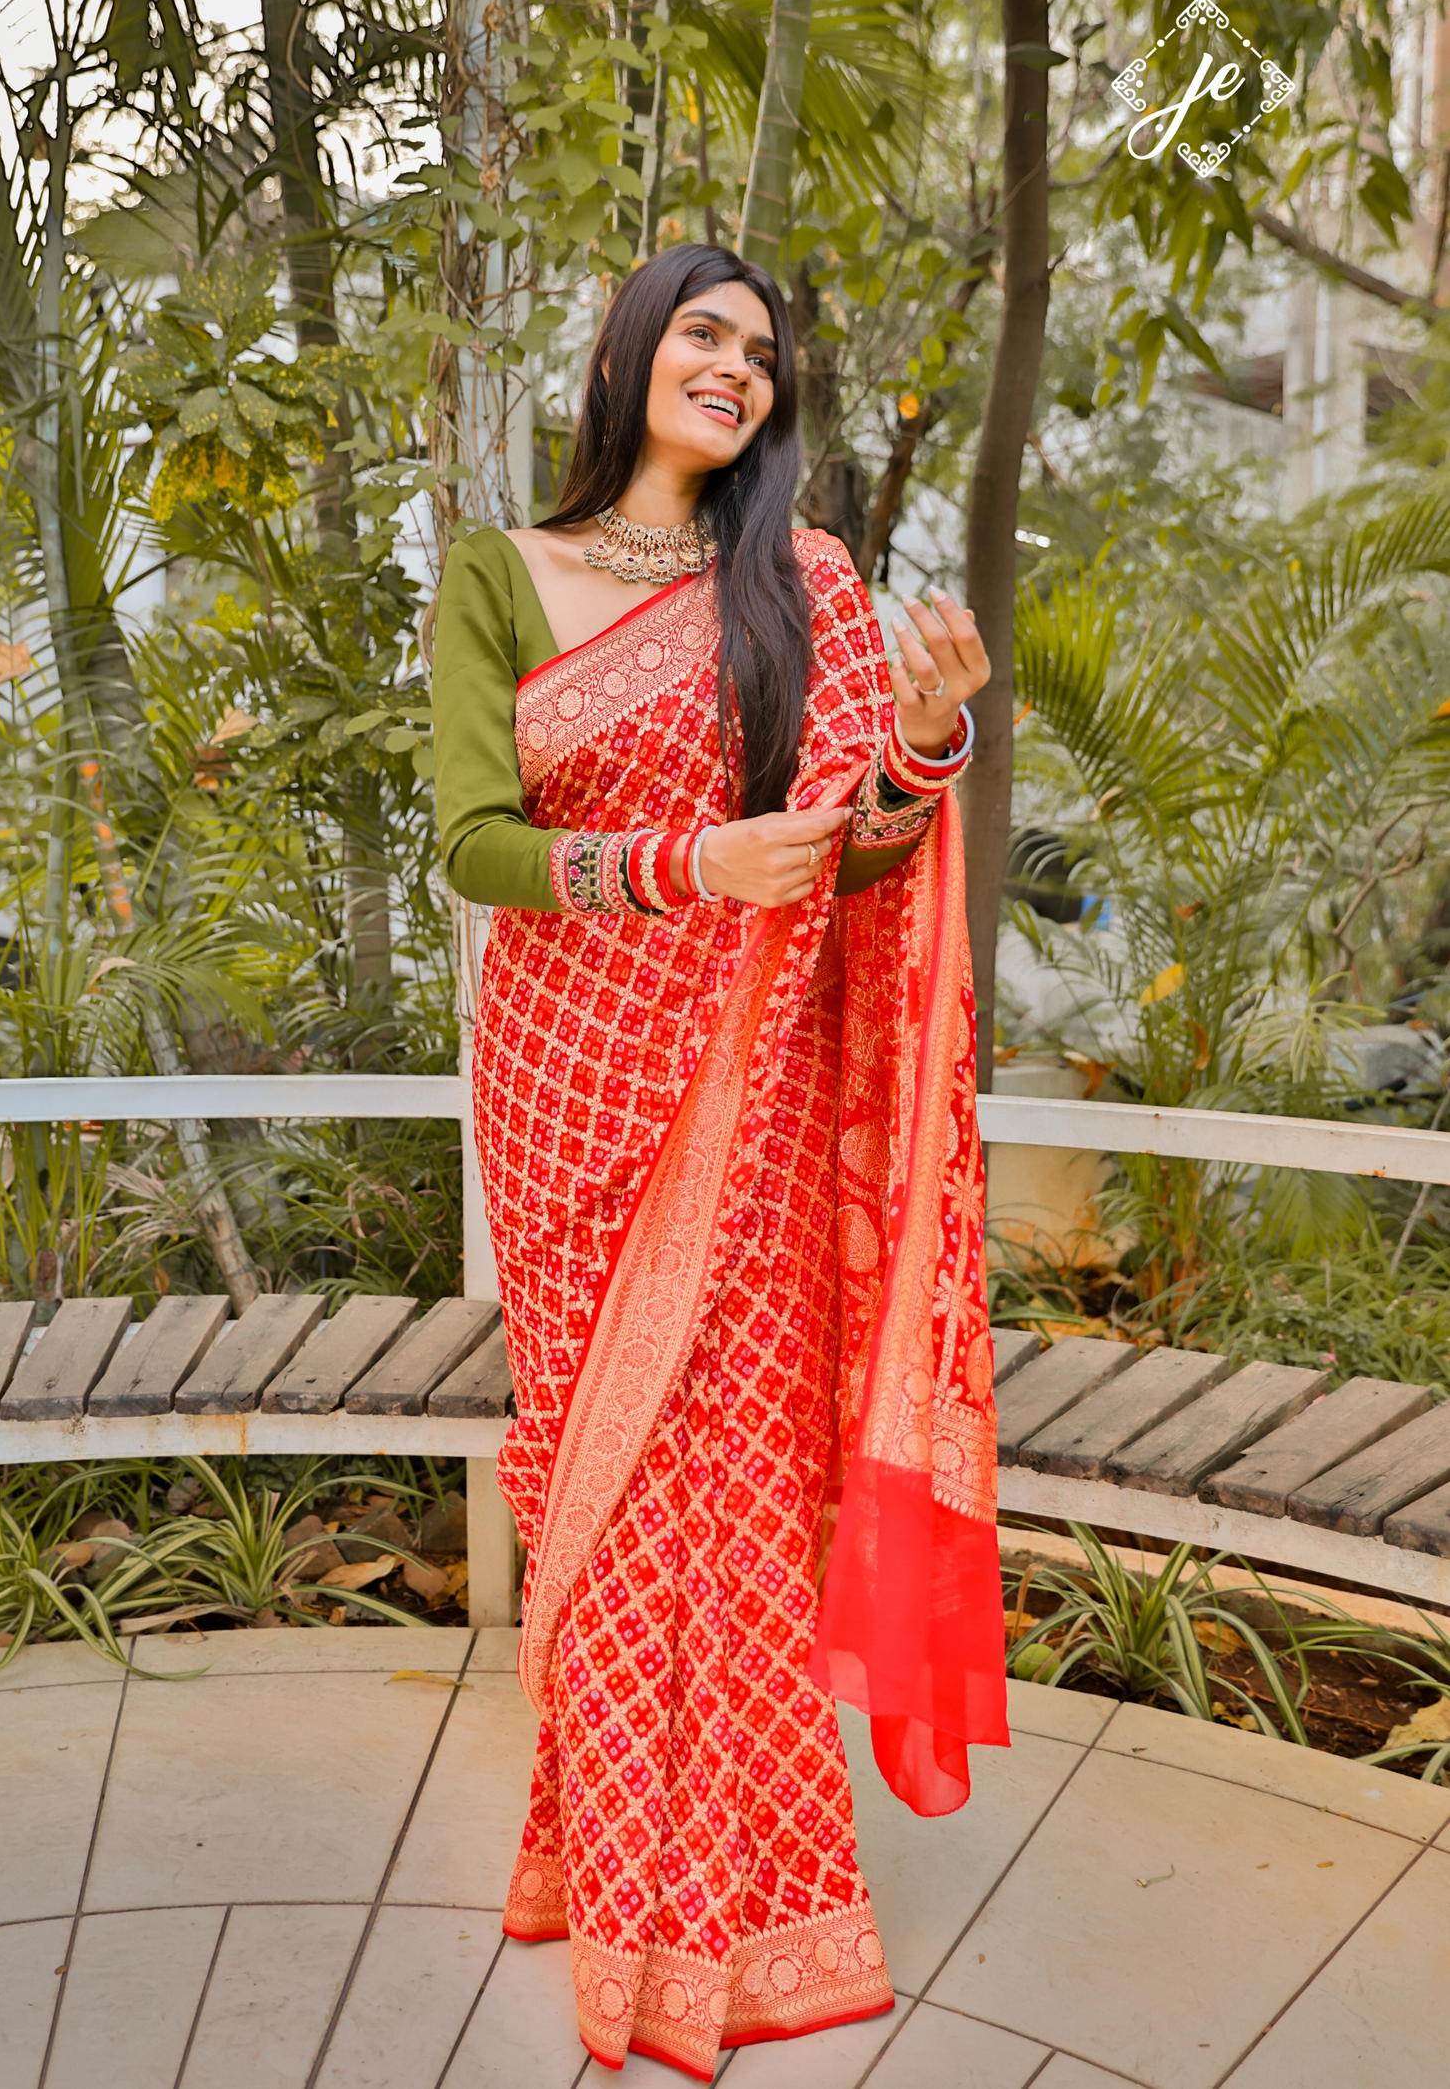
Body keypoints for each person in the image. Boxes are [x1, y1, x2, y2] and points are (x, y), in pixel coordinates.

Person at [431, 242, 1008, 2080]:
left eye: (762, 353)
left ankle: (745, 1909)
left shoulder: (799, 581)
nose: (737, 367)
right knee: (596, 1497)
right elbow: (473, 841)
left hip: (745, 1098)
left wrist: (923, 742)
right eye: (704, 331)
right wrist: (684, 863)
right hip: (566, 1089)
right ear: (630, 349)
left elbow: (848, 856)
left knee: (734, 1487)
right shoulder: (501, 573)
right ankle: (611, 1872)